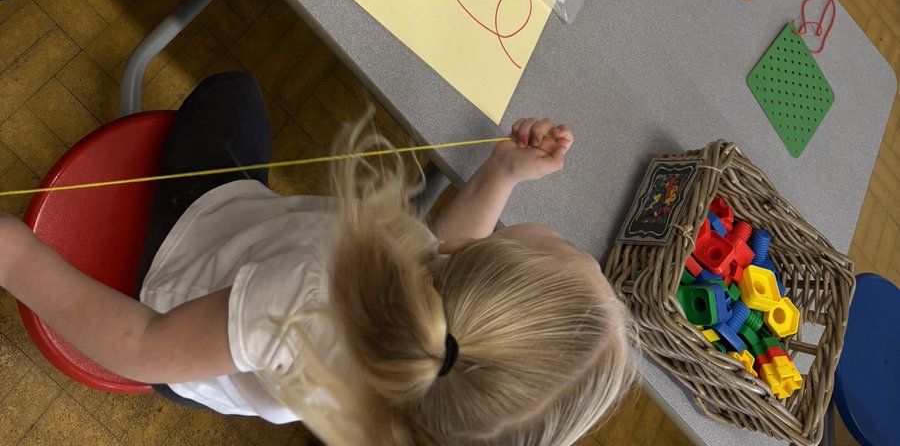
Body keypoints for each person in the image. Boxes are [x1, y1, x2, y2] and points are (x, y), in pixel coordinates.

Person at [0, 73, 636, 445]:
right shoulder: (427, 369)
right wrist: (499, 175)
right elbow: (447, 247)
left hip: (172, 280)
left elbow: (142, 345)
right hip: (243, 296)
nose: (580, 251)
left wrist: (17, 258)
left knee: (233, 93)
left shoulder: (315, 292)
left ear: (476, 261)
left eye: (572, 255)